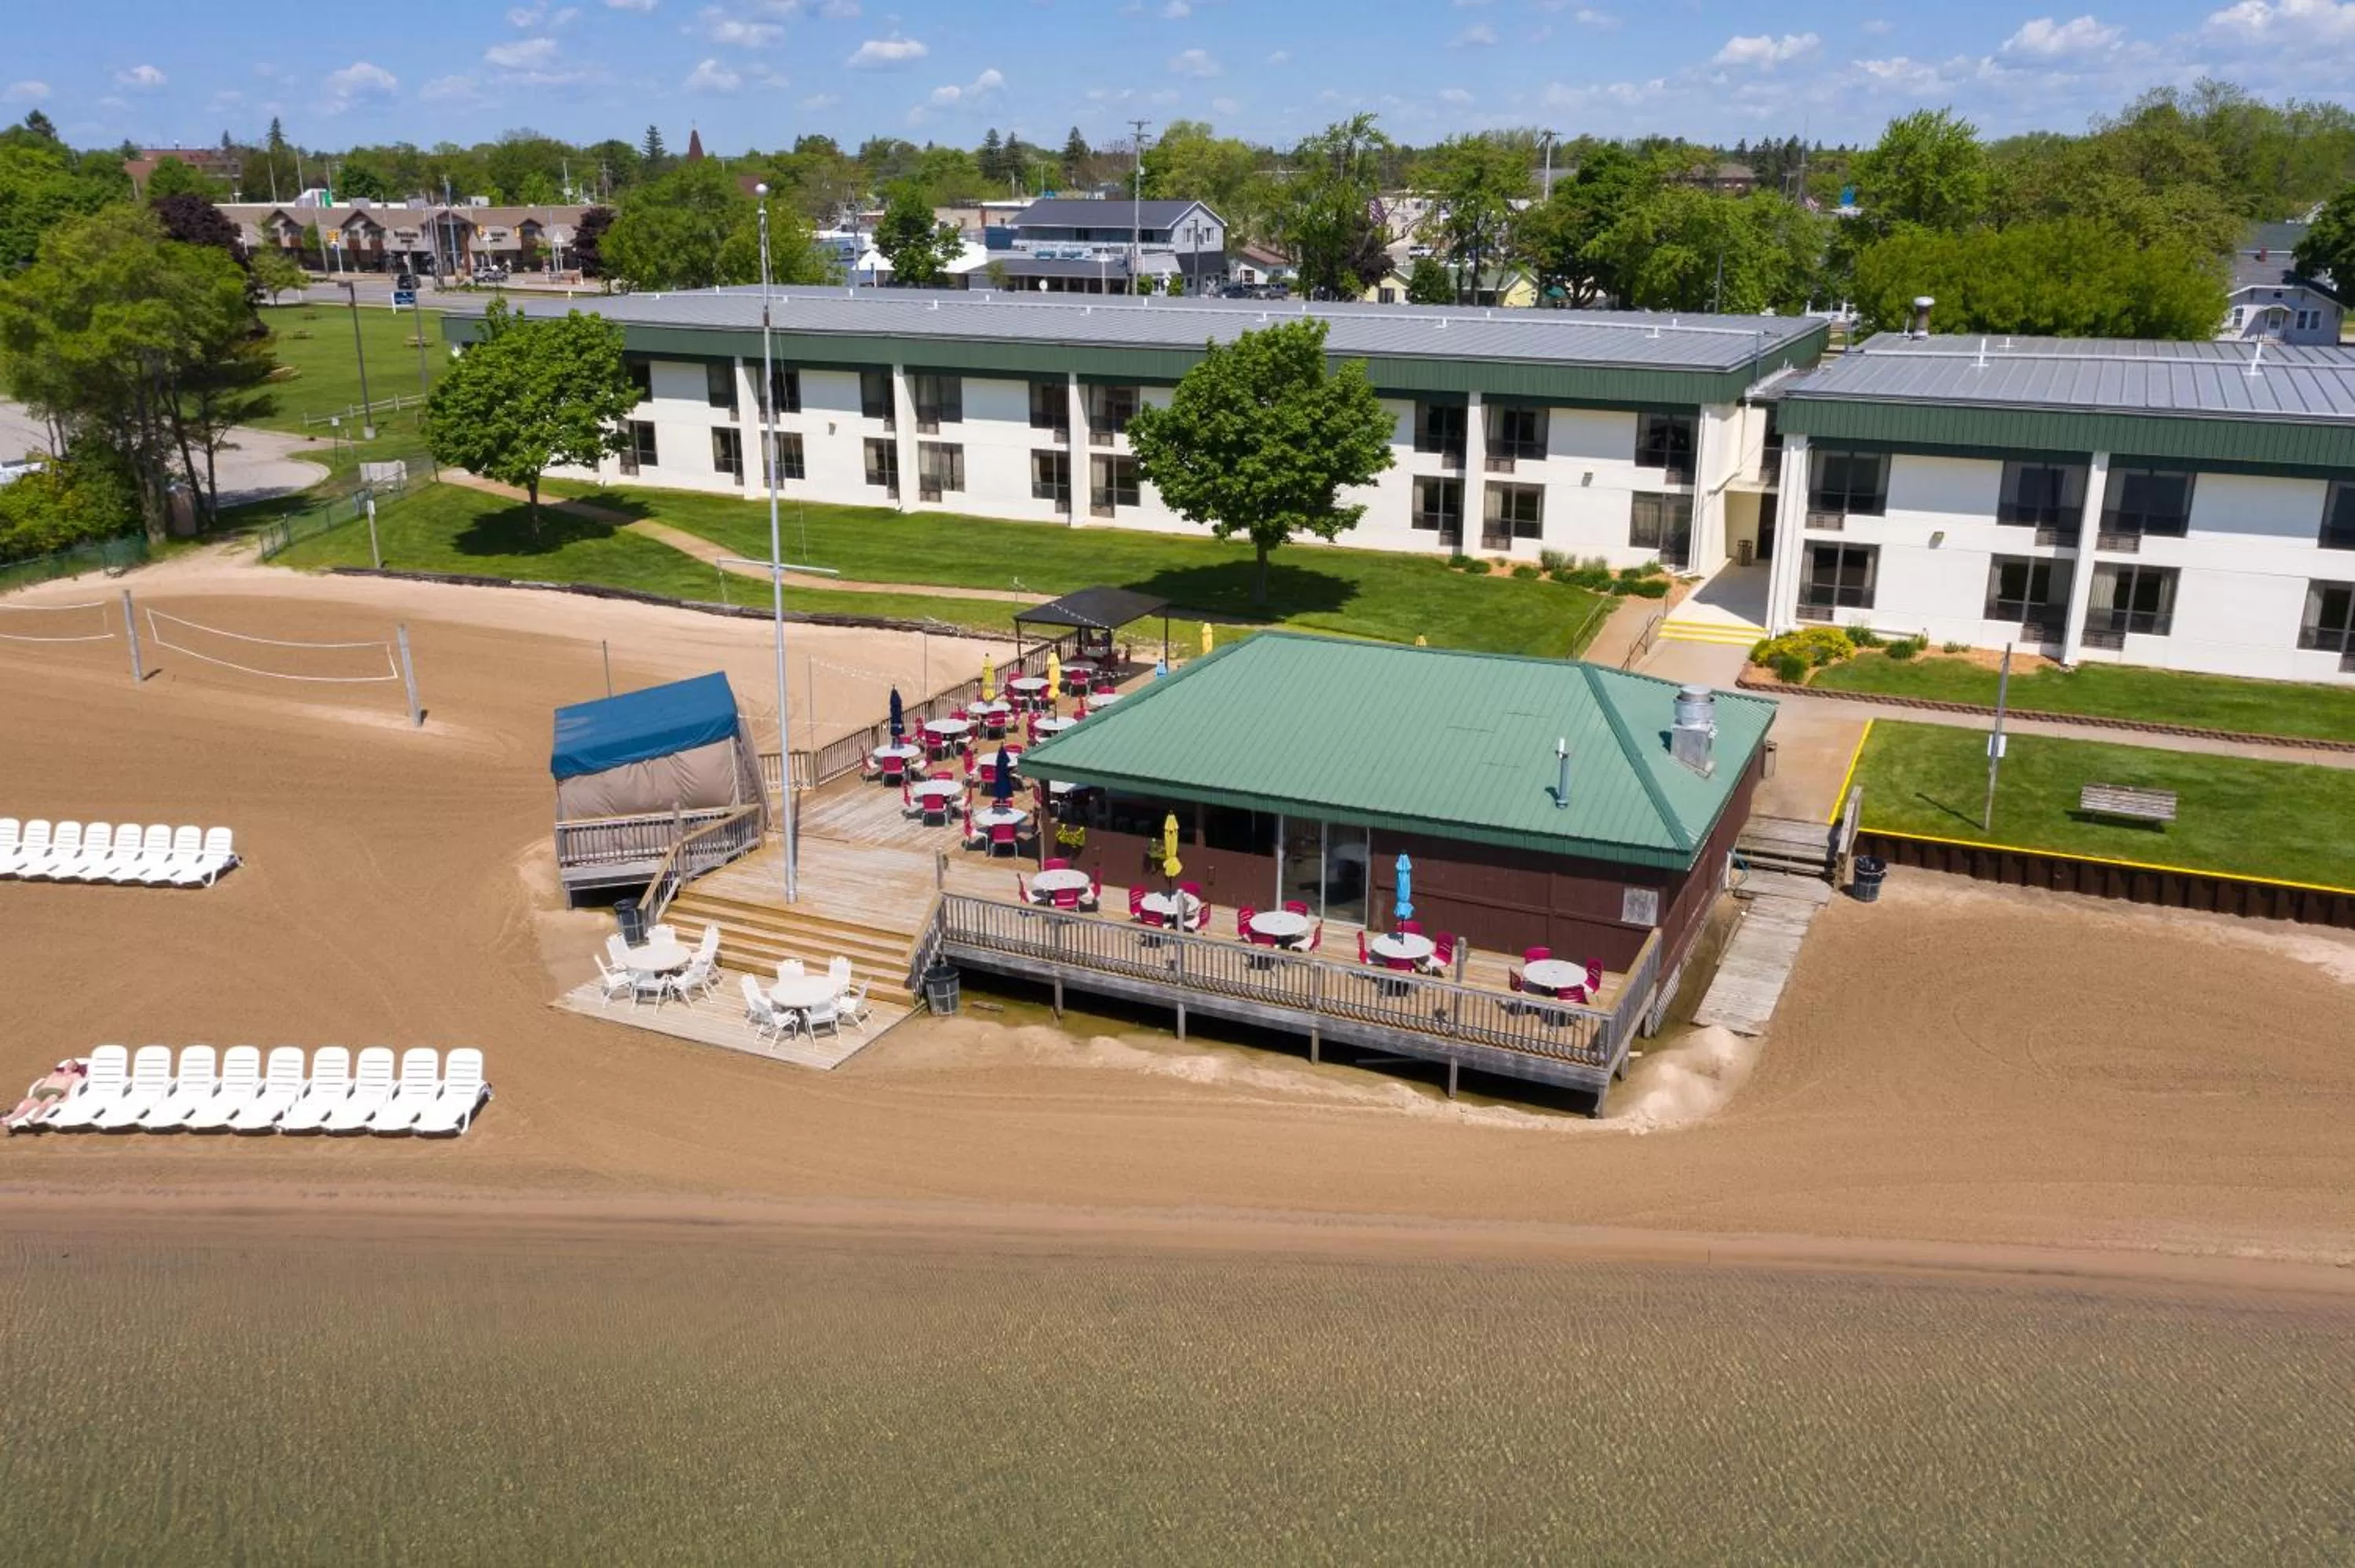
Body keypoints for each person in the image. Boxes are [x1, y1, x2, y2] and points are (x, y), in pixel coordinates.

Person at [5, 1059, 86, 1133]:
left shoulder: (76, 1075)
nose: (68, 1064)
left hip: (57, 1091)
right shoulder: (56, 1073)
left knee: (45, 1104)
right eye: (68, 1063)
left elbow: (75, 1086)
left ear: (75, 1068)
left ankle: (33, 1119)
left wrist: (67, 1096)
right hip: (43, 1091)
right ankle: (9, 1120)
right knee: (26, 1105)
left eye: (72, 1064)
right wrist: (37, 1091)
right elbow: (46, 1082)